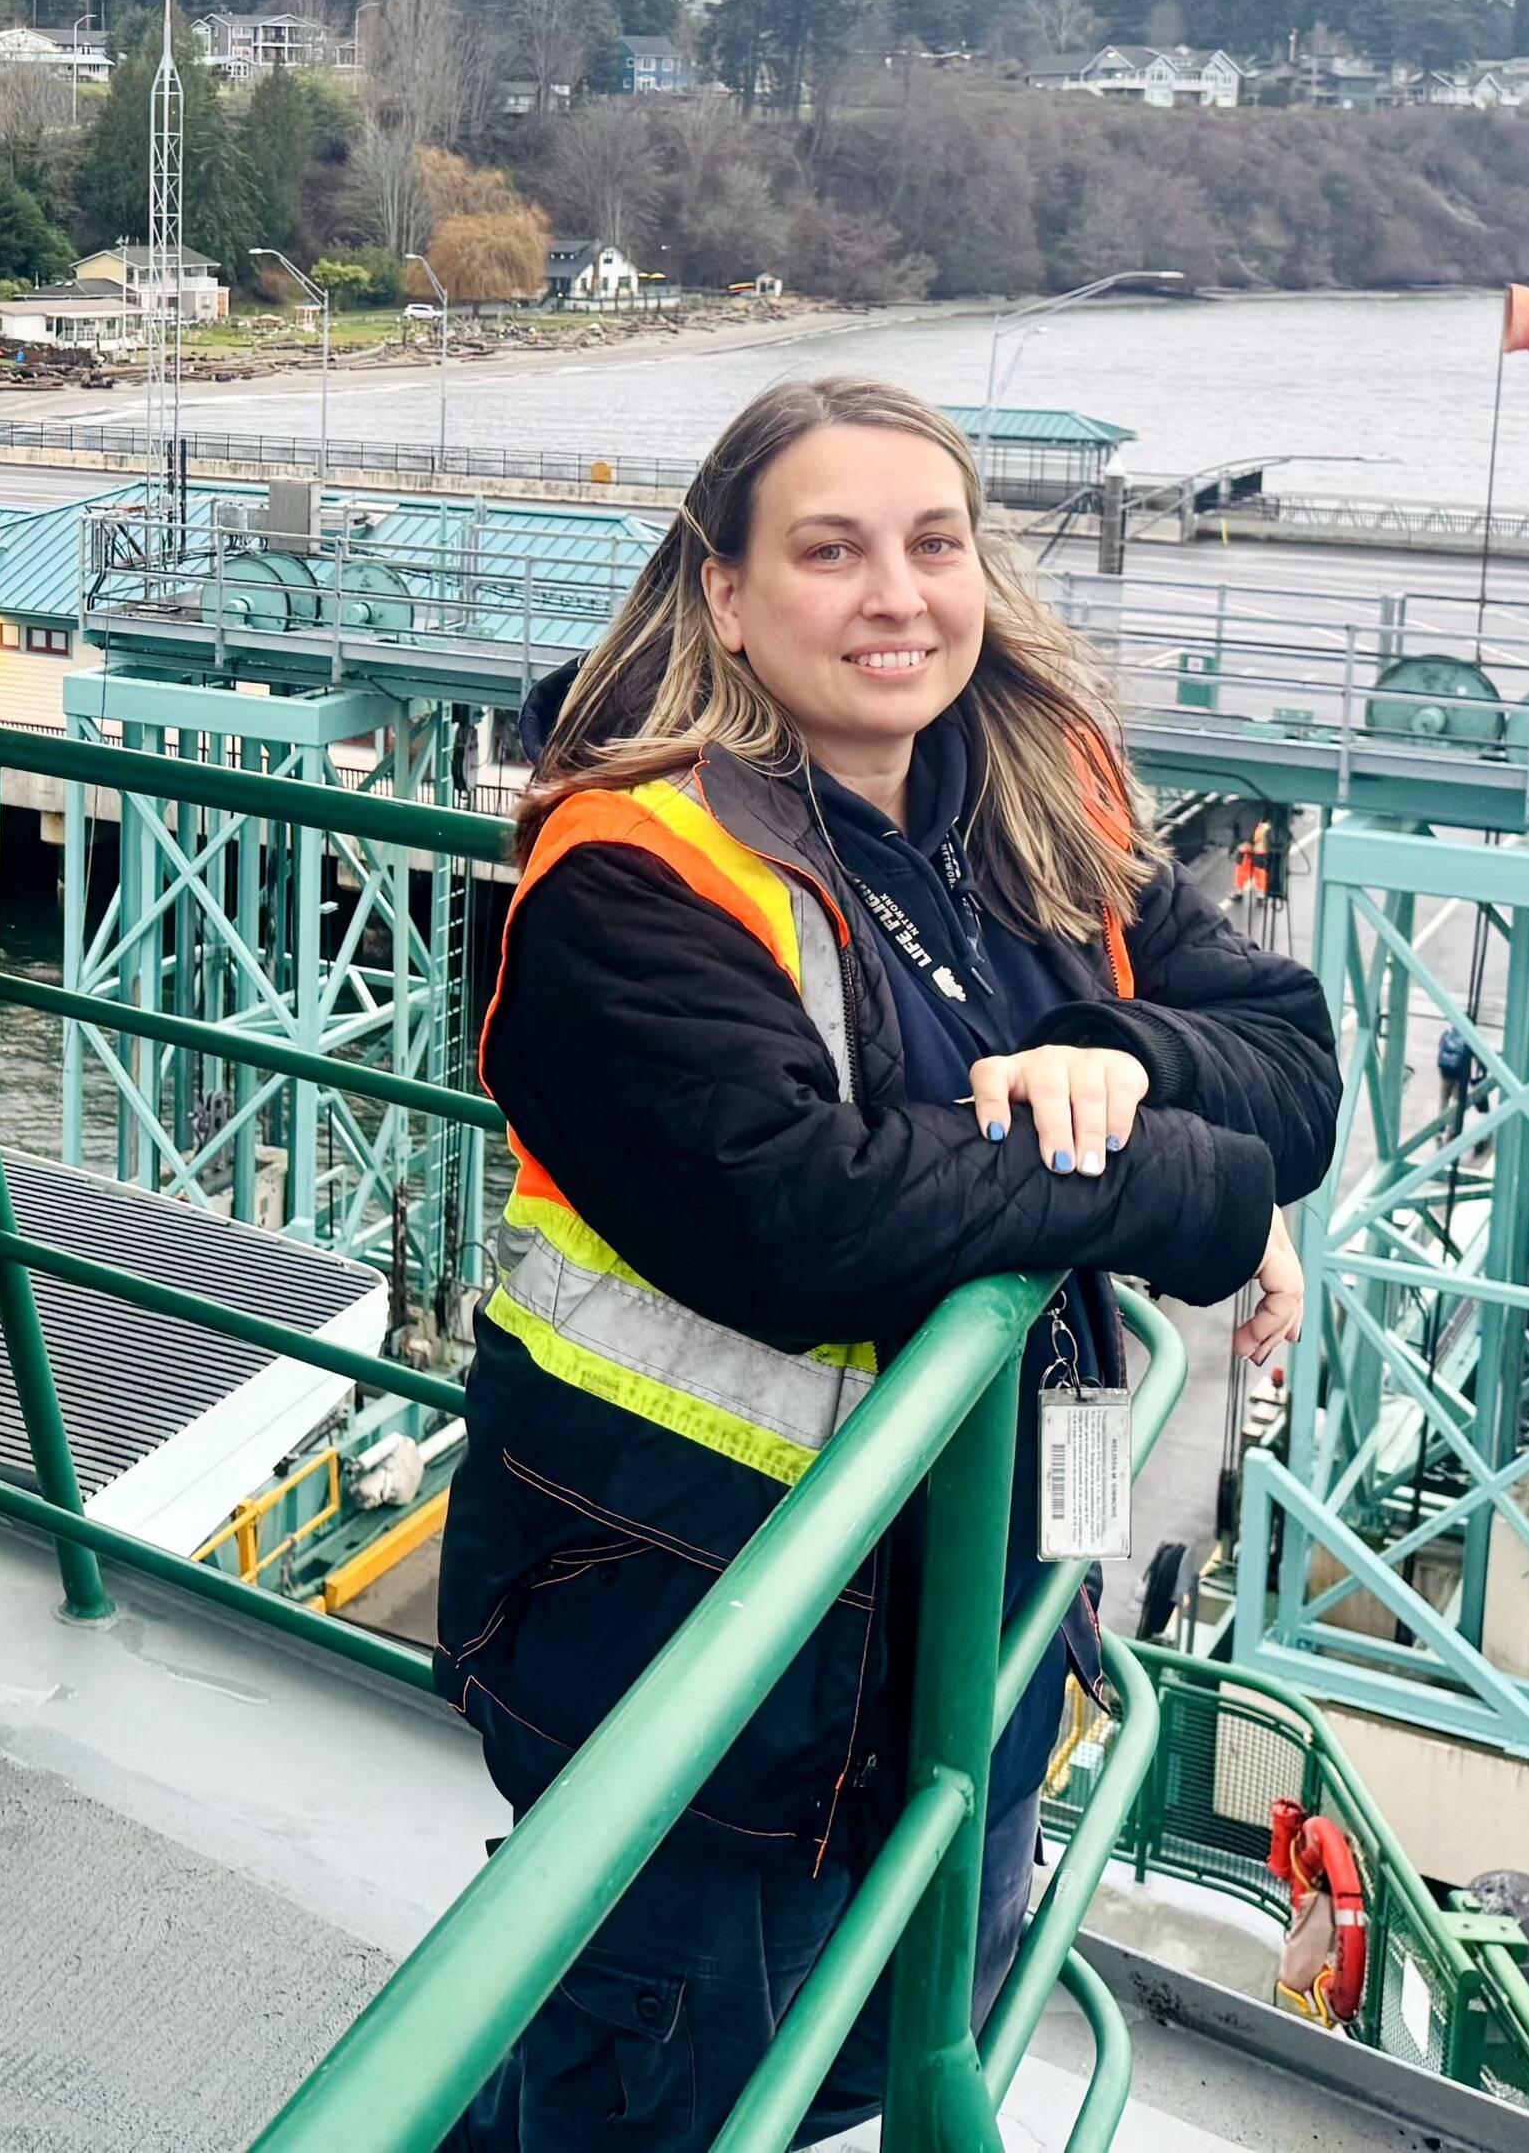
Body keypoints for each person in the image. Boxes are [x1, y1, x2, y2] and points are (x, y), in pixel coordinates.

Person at [434, 376, 1339, 2150]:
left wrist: (1126, 1058)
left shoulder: (1030, 800)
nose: (895, 597)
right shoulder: (630, 874)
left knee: (875, 2039)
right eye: (829, 551)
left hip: (977, 1633)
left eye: (934, 545)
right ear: (725, 590)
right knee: (674, 2077)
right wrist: (1180, 1182)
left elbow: (1292, 1061)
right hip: (701, 1657)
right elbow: (811, 1218)